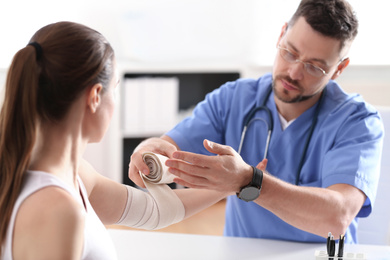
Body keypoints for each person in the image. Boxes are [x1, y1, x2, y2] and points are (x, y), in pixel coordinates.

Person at [129, 0, 384, 244]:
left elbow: (337, 217)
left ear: (339, 69)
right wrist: (149, 150)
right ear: (281, 34)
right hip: (242, 251)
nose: (294, 72)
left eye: (315, 67)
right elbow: (170, 148)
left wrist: (250, 182)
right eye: (290, 52)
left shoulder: (358, 122)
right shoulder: (233, 99)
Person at [0, 22, 230, 260]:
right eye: (116, 89)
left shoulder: (74, 176)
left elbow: (155, 211)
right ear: (95, 96)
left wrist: (233, 184)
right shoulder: (58, 209)